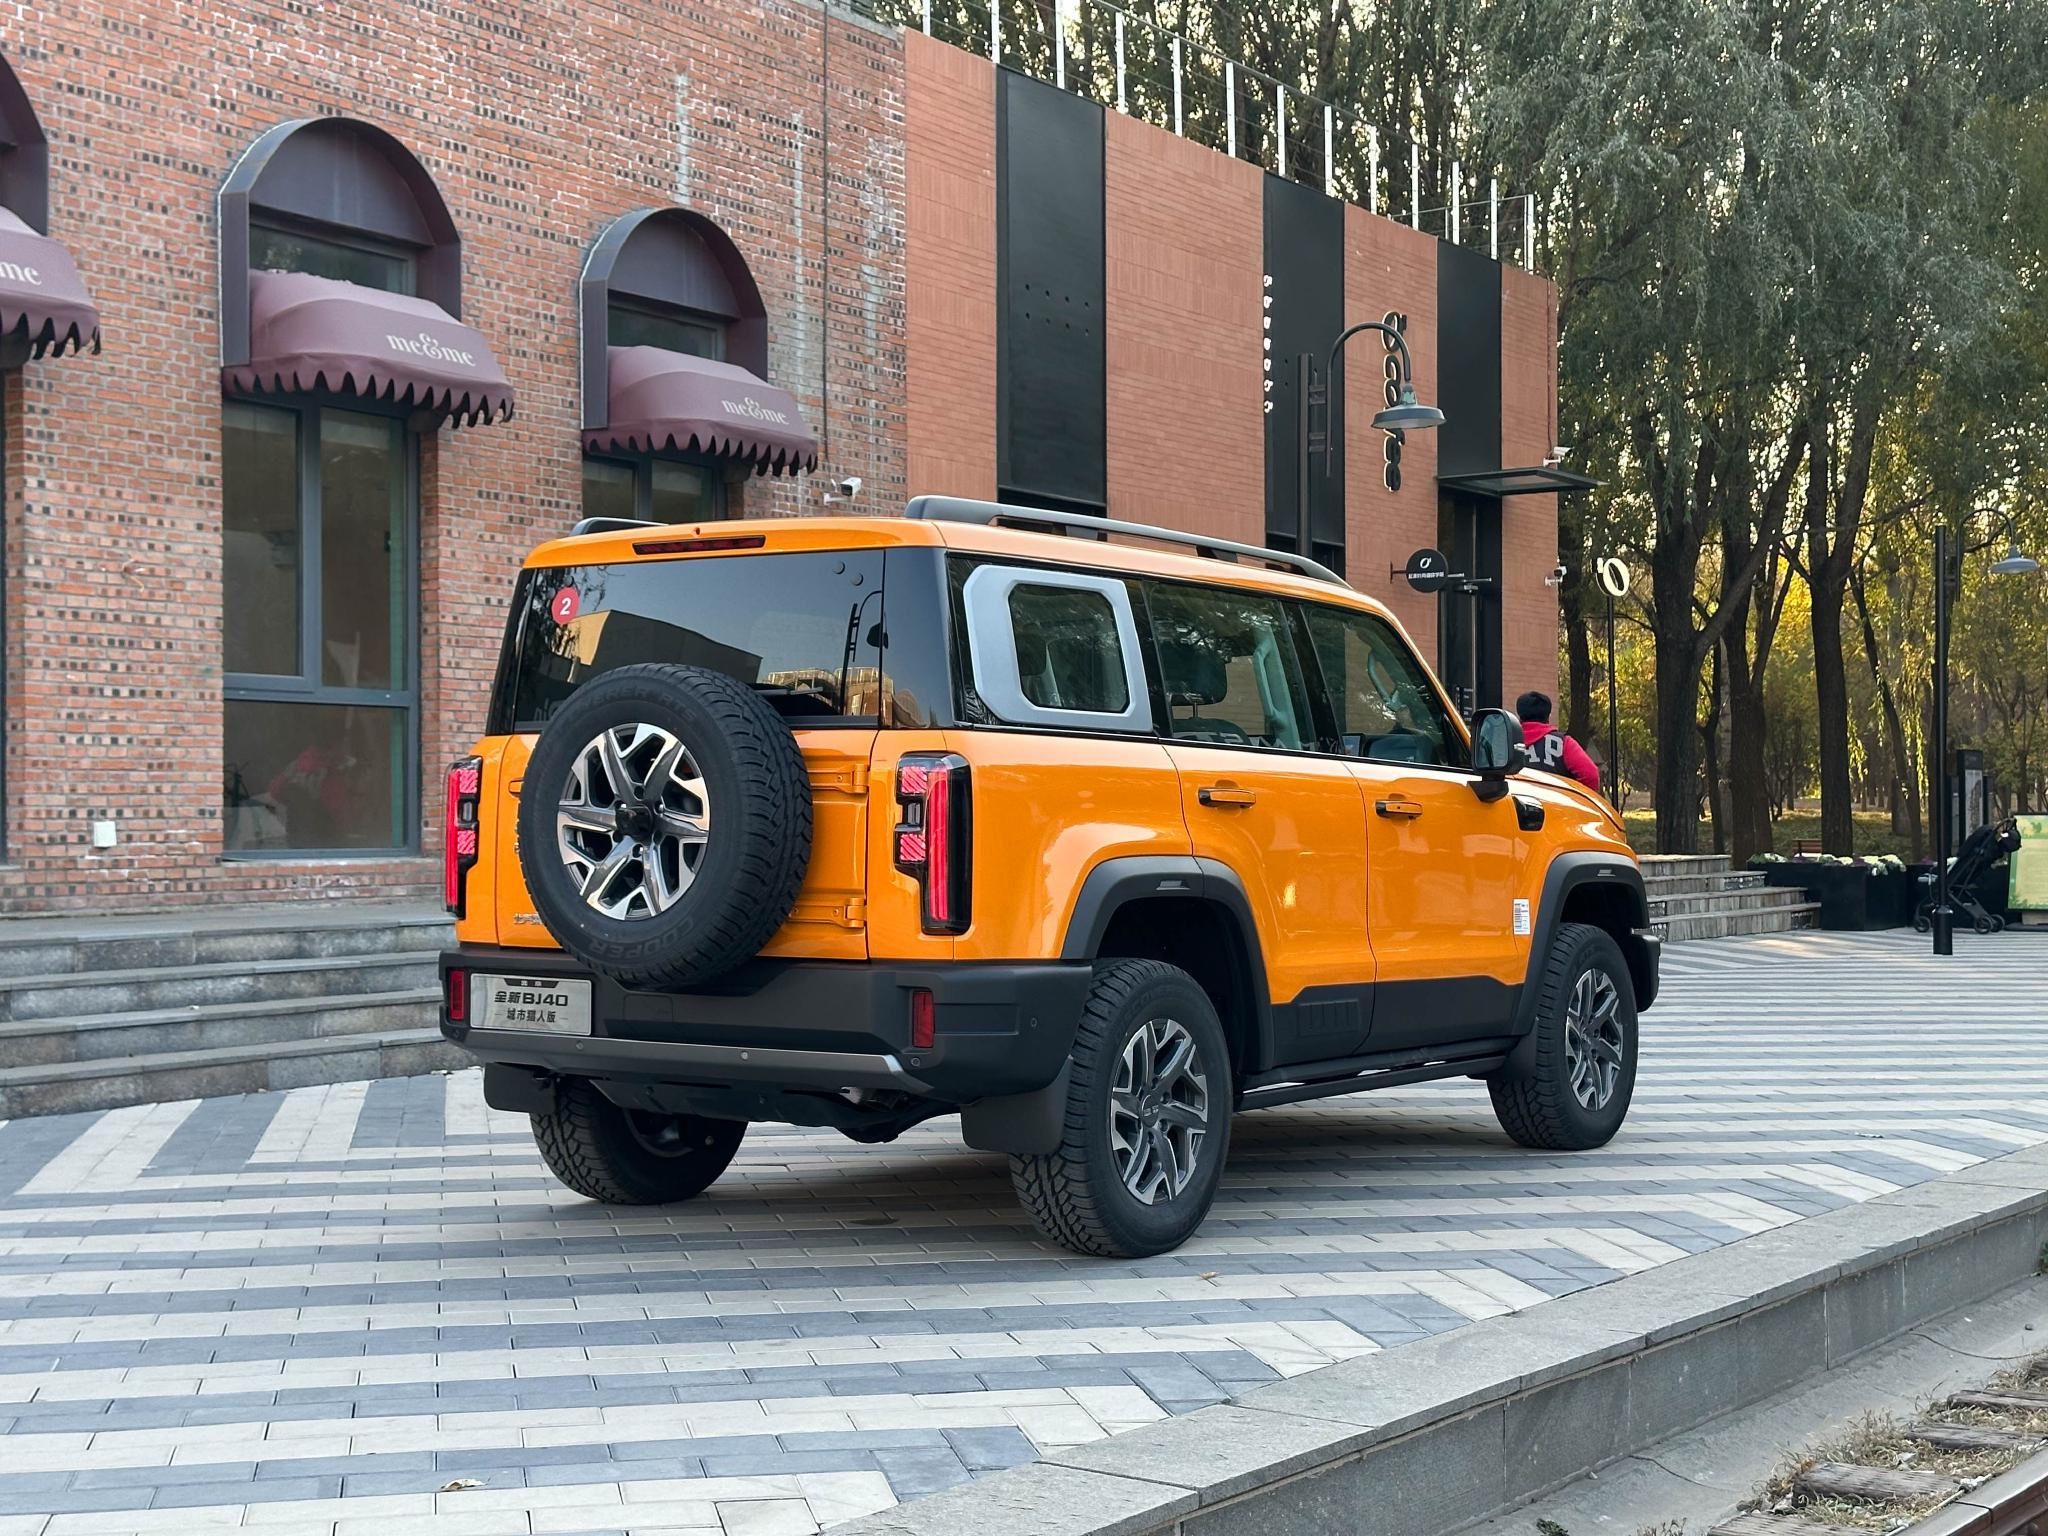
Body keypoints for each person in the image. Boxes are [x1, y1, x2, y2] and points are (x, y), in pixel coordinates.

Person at [1515, 690, 1601, 791]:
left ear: (1519, 716)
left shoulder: (1506, 743)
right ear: (1548, 716)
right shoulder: (1563, 743)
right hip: (1555, 805)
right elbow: (1591, 776)